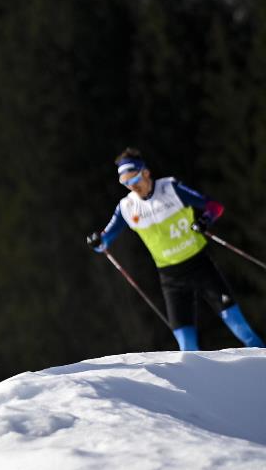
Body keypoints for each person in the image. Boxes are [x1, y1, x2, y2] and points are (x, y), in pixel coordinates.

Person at [86, 147, 263, 351]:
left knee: (242, 330)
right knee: (187, 348)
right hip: (171, 278)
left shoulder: (170, 188)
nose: (132, 187)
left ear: (146, 172)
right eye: (125, 183)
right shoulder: (126, 207)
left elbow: (215, 207)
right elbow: (105, 241)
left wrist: (205, 220)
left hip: (200, 266)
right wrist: (98, 241)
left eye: (134, 180)